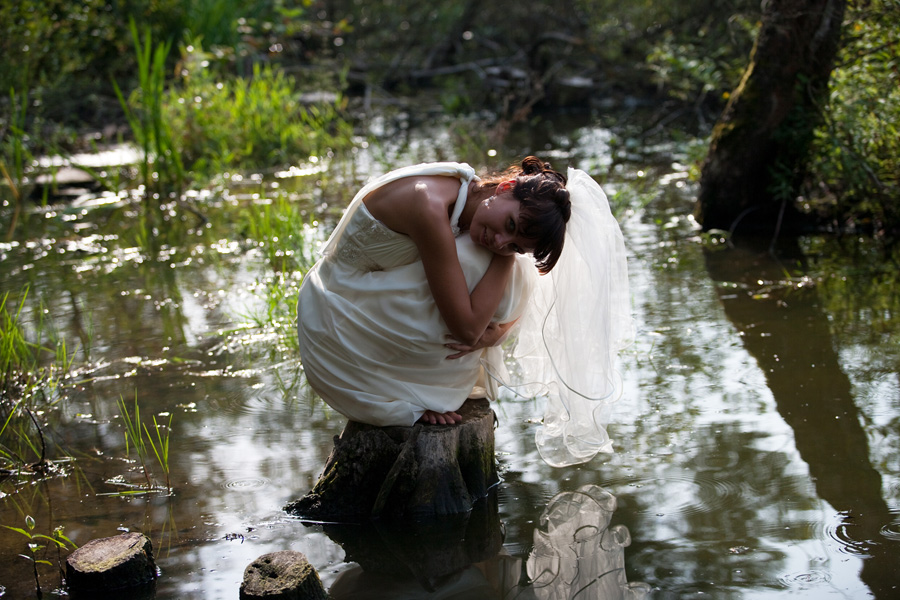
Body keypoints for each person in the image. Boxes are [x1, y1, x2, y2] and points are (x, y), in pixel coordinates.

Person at [297, 157, 632, 466]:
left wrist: (498, 331)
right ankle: (411, 386)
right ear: (504, 188)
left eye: (516, 243)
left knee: (509, 268)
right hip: (336, 322)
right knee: (490, 263)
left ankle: (418, 379)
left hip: (363, 301)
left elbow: (483, 322)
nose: (501, 240)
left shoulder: (468, 198)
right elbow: (468, 332)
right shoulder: (427, 203)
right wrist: (507, 258)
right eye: (511, 223)